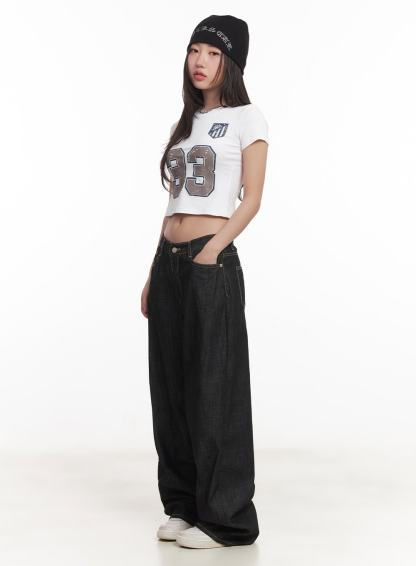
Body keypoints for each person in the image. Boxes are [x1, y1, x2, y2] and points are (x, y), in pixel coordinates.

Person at [141, 14, 269, 549]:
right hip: (170, 262)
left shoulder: (246, 118)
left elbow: (252, 199)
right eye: (195, 50)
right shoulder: (187, 122)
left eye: (214, 53)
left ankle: (227, 519)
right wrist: (154, 270)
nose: (201, 61)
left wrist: (212, 251)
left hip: (208, 261)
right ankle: (184, 505)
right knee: (170, 388)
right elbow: (175, 202)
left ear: (231, 62)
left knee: (214, 388)